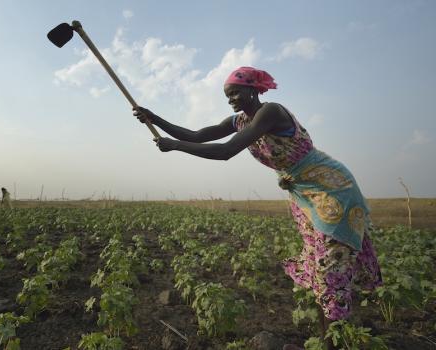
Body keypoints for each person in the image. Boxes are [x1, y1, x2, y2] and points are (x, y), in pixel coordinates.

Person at [133, 66, 382, 350]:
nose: (231, 99)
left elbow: (225, 151)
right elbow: (199, 135)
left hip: (331, 190)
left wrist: (175, 146)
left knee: (331, 271)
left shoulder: (271, 112)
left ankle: (336, 342)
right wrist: (154, 118)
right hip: (303, 195)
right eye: (228, 96)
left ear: (254, 89)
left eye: (236, 92)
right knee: (318, 267)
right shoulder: (239, 120)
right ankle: (330, 340)